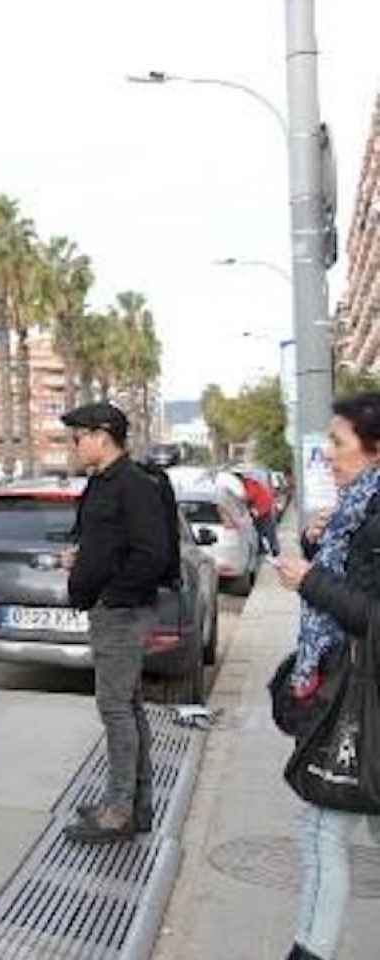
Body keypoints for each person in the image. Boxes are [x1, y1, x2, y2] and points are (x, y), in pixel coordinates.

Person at [274, 391, 380, 960]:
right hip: (360, 694)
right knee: (330, 829)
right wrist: (319, 543)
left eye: (338, 445)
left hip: (368, 701)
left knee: (323, 831)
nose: (329, 458)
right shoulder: (358, 508)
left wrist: (310, 580)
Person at [58, 402, 170, 843]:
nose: (74, 445)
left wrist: (111, 594)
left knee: (116, 708)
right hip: (112, 609)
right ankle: (133, 805)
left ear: (102, 436)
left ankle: (119, 810)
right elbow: (109, 543)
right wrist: (82, 559)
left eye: (78, 436)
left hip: (121, 613)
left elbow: (152, 554)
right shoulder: (105, 483)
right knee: (129, 705)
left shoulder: (133, 484)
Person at [242, 471, 281, 557]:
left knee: (264, 528)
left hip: (262, 508)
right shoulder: (252, 483)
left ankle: (271, 548)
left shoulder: (249, 483)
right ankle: (265, 547)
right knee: (263, 529)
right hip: (263, 507)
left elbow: (251, 496)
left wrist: (243, 498)